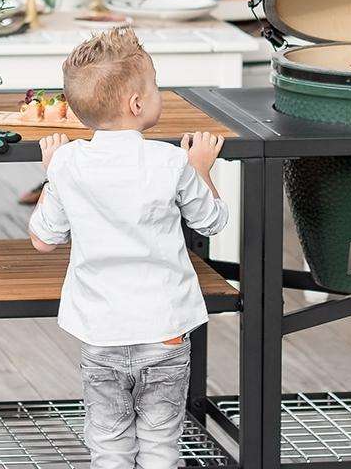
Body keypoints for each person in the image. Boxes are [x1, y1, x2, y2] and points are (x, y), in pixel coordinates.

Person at [27, 27, 227, 469]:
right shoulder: (170, 162)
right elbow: (211, 220)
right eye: (155, 86)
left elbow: (43, 239)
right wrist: (200, 168)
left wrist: (52, 173)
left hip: (100, 334)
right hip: (164, 331)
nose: (158, 93)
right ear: (137, 104)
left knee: (109, 443)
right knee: (160, 444)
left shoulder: (67, 162)